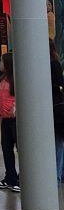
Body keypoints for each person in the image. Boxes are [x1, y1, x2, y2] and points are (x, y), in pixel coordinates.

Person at [0, 52, 19, 192]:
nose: (0, 64)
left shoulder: (16, 81)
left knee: (21, 149)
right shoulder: (2, 81)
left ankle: (23, 179)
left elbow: (21, 97)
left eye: (1, 61)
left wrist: (15, 106)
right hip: (6, 121)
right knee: (6, 149)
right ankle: (10, 177)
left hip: (16, 121)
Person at [49, 39, 64, 188]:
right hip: (52, 108)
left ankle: (57, 178)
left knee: (57, 143)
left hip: (56, 109)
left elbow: (59, 85)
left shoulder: (54, 65)